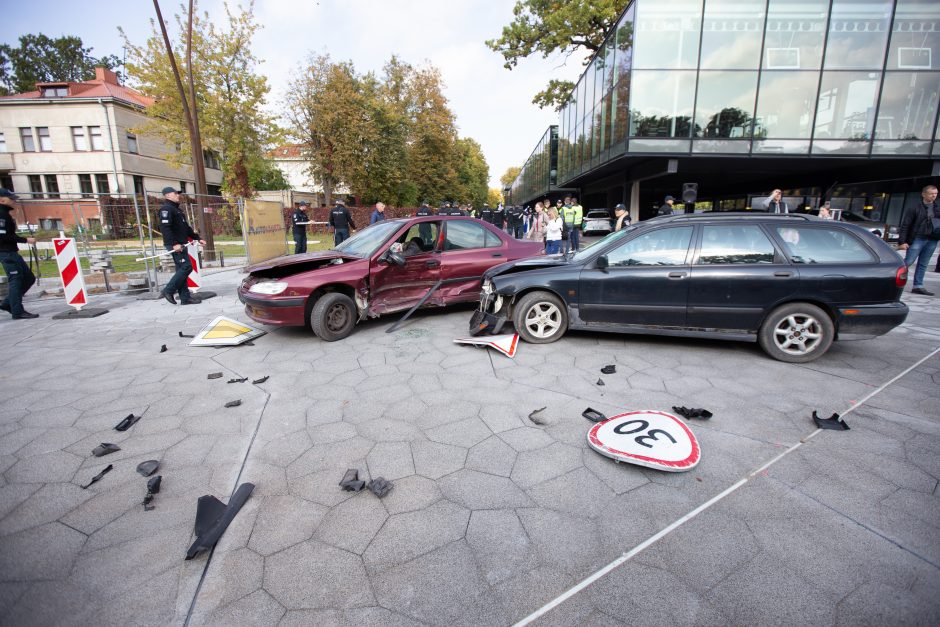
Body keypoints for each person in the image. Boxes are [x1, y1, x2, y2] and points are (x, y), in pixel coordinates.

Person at [157, 186, 205, 305]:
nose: (178, 195)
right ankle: (168, 290)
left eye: (178, 193)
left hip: (181, 243)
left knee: (181, 269)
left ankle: (185, 298)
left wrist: (197, 238)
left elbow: (186, 228)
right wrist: (174, 244)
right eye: (175, 193)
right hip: (175, 244)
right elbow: (165, 228)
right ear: (167, 195)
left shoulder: (177, 210)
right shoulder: (166, 209)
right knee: (186, 267)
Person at [0, 189, 39, 319]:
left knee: (29, 278)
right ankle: (17, 311)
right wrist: (25, 240)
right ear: (2, 199)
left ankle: (7, 303)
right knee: (16, 281)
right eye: (11, 198)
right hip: (6, 253)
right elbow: (3, 236)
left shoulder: (5, 213)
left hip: (11, 252)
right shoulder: (1, 214)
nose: (14, 201)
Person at [898, 184, 939, 296]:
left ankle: (918, 286)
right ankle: (894, 281)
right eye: (931, 193)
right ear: (923, 194)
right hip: (917, 238)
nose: (934, 196)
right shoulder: (914, 208)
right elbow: (905, 225)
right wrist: (902, 241)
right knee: (908, 262)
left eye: (935, 194)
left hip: (932, 239)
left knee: (923, 263)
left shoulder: (937, 208)